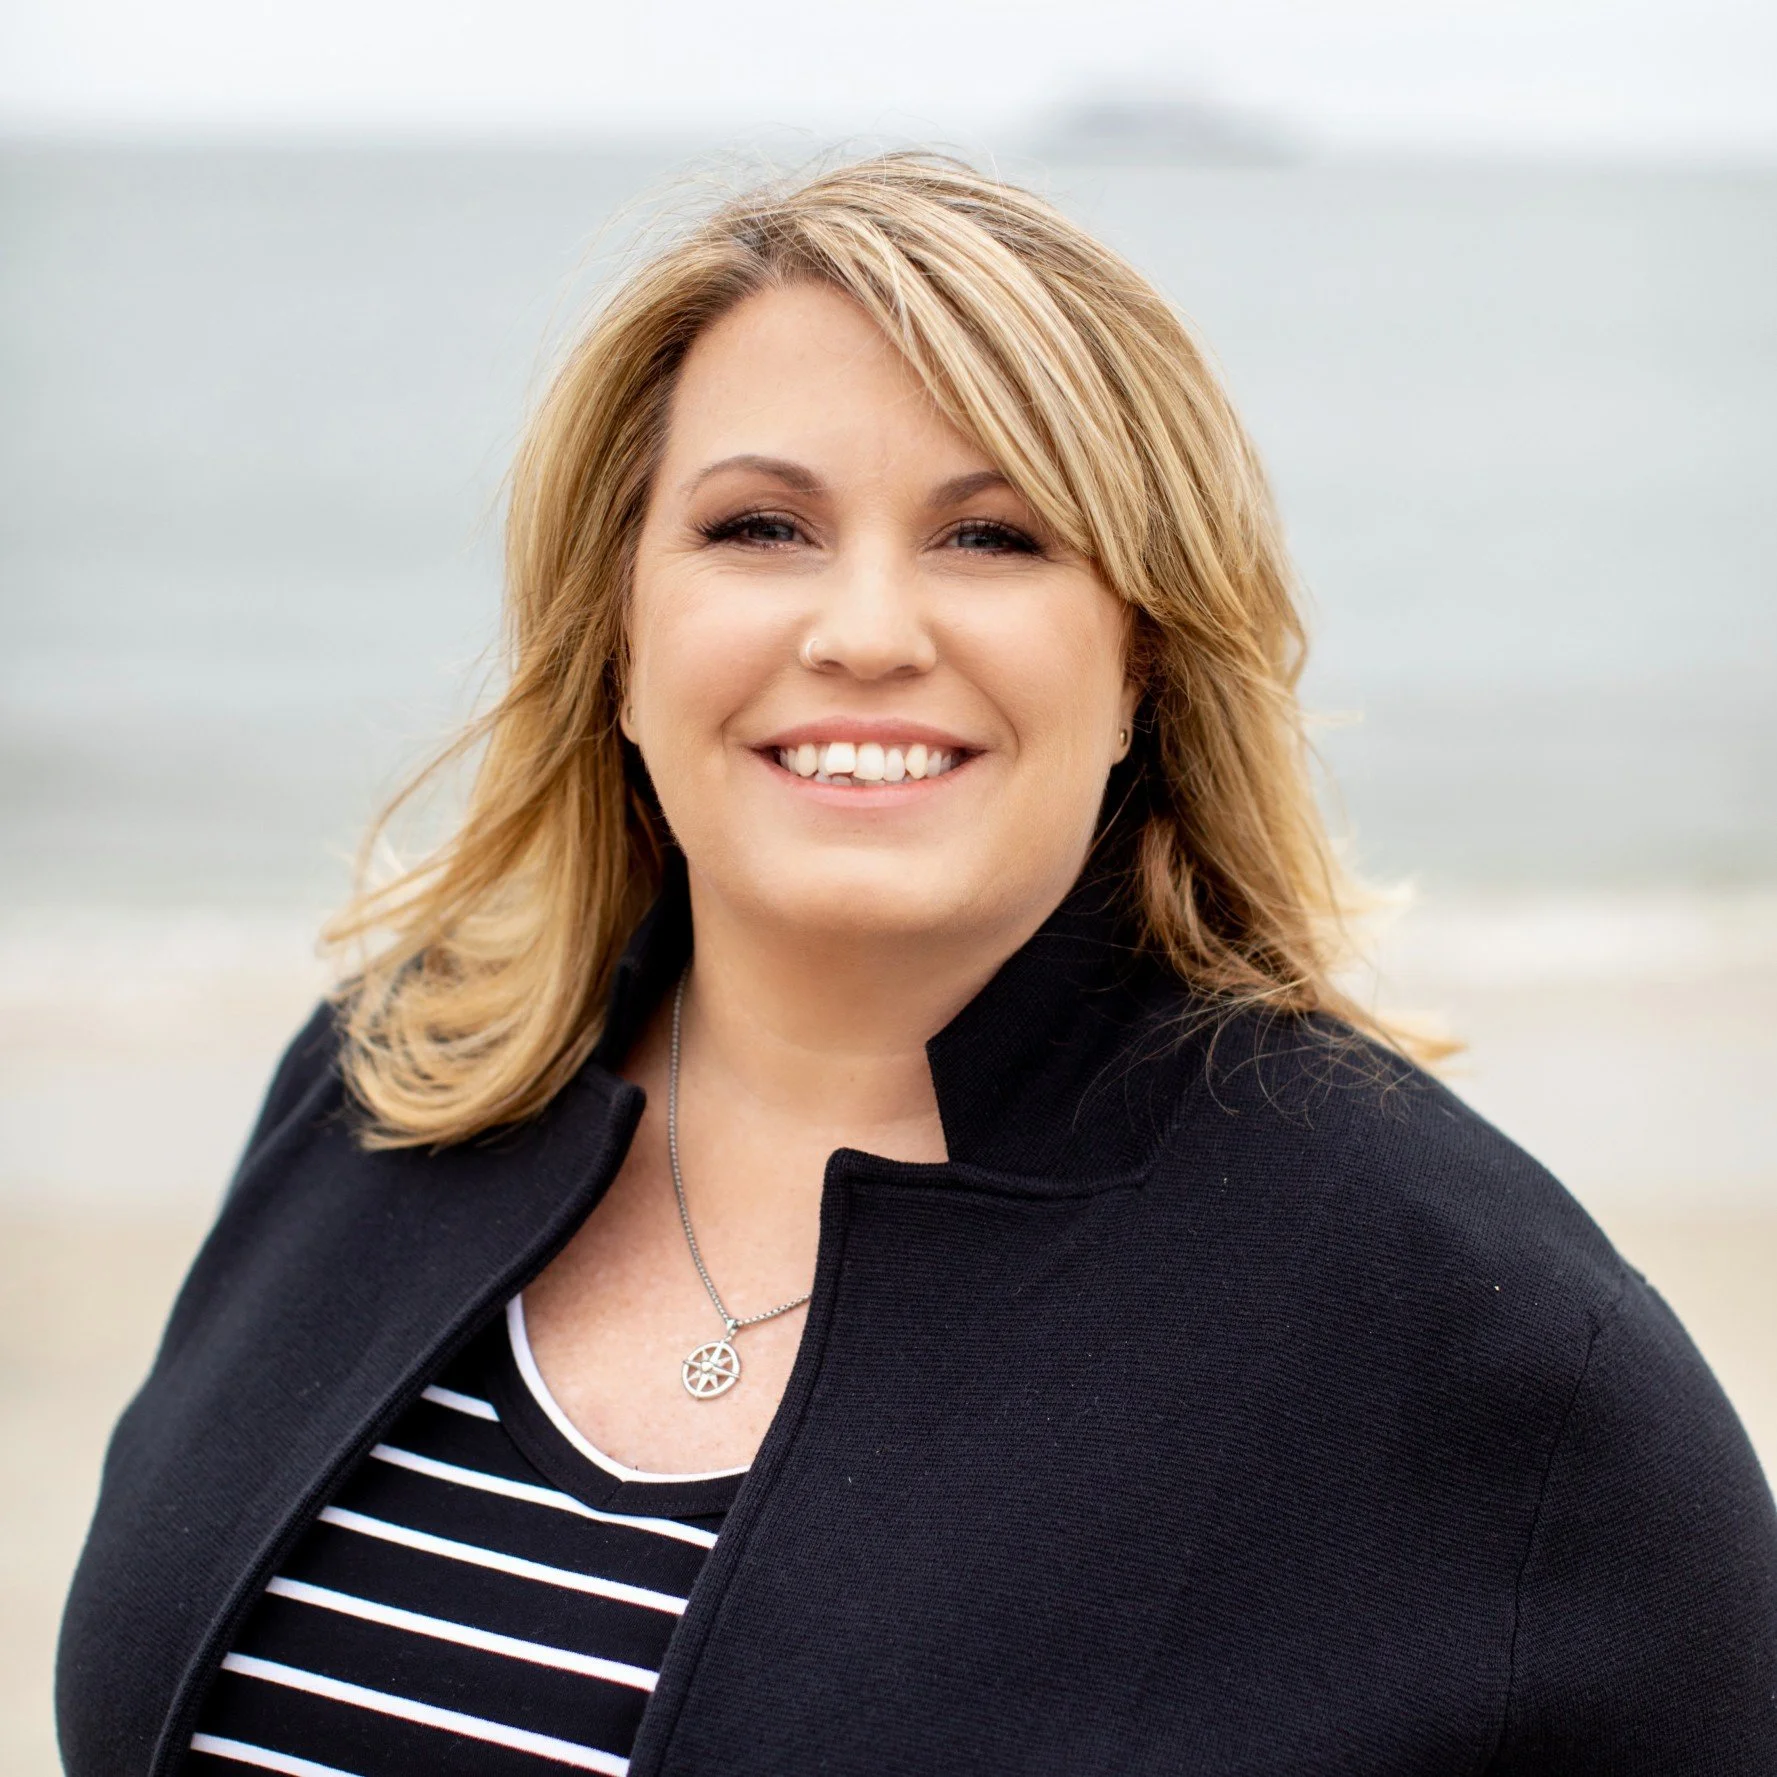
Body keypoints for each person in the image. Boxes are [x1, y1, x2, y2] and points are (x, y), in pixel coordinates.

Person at [58, 154, 1776, 1777]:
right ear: (618, 636)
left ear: (1145, 662)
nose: (867, 629)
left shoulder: (1475, 1330)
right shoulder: (387, 1082)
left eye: (994, 536)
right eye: (758, 528)